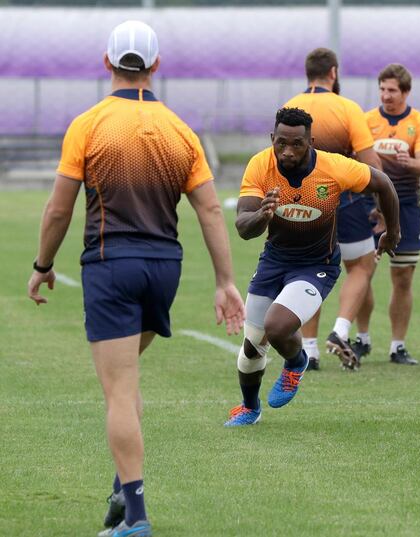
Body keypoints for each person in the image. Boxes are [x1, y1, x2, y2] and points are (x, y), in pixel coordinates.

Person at [26, 20, 246, 537]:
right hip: (165, 267)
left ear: (107, 63)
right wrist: (225, 281)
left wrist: (41, 266)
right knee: (127, 381)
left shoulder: (90, 123)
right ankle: (123, 492)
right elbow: (211, 209)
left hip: (110, 263)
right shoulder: (180, 129)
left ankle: (137, 516)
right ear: (156, 65)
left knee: (119, 391)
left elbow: (59, 210)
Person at [224, 107, 399, 427]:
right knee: (251, 348)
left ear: (311, 142)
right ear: (271, 139)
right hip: (273, 261)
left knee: (277, 327)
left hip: (316, 265)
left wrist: (393, 231)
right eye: (281, 143)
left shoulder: (334, 168)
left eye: (297, 144)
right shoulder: (260, 165)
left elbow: (383, 184)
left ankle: (296, 361)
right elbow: (242, 227)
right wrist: (262, 216)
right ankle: (250, 408)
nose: (287, 151)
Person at [281, 48, 383, 370]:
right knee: (362, 267)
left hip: (298, 200)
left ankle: (309, 350)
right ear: (334, 73)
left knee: (307, 271)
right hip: (343, 198)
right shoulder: (347, 108)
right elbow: (371, 162)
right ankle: (340, 330)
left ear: (307, 72)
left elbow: (278, 155)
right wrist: (381, 205)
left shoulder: (289, 107)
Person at [354, 64, 420, 365]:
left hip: (406, 205)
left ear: (405, 92)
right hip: (368, 205)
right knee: (362, 272)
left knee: (403, 278)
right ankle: (361, 339)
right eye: (383, 90)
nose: (386, 96)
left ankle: (397, 346)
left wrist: (408, 162)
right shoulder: (365, 121)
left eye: (392, 91)